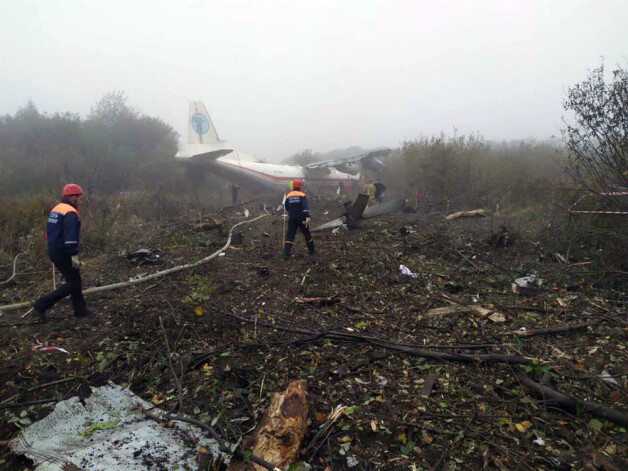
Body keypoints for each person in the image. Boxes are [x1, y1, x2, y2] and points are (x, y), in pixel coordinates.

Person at [32, 184, 93, 322]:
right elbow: (71, 238)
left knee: (75, 281)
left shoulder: (57, 208)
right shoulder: (70, 212)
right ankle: (41, 305)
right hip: (63, 252)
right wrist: (74, 255)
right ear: (73, 197)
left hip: (54, 249)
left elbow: (49, 233)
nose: (81, 201)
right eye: (79, 198)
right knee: (72, 283)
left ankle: (81, 311)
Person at [283, 179, 315, 259]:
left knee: (290, 236)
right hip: (302, 218)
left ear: (293, 186)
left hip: (292, 219)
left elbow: (286, 207)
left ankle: (286, 254)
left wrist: (292, 212)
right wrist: (307, 216)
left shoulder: (289, 195)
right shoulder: (302, 195)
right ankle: (312, 251)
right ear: (300, 186)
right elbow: (305, 207)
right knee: (307, 234)